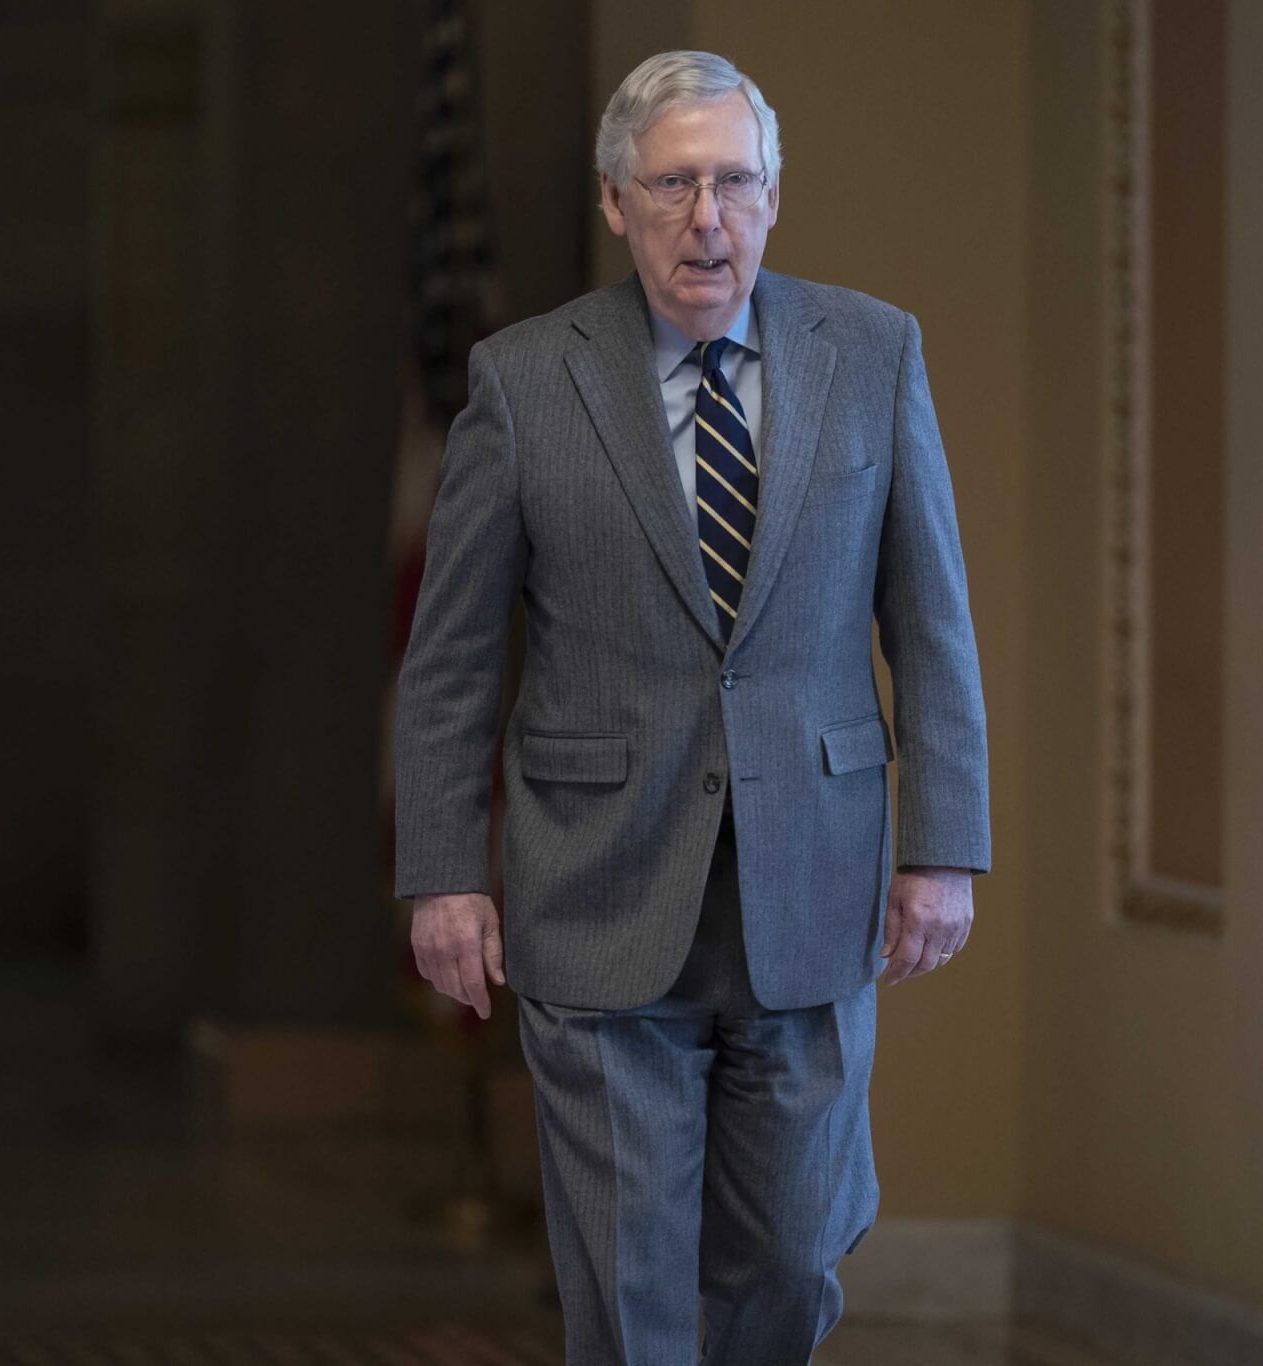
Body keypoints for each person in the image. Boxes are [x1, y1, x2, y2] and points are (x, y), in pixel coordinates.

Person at [393, 48, 991, 1365]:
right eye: (671, 185)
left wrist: (943, 846)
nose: (705, 217)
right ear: (616, 203)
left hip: (813, 890)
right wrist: (445, 872)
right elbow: (449, 658)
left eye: (731, 181)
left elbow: (930, 621)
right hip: (600, 893)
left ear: (774, 196)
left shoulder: (874, 355)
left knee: (788, 1254)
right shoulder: (524, 379)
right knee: (630, 1284)